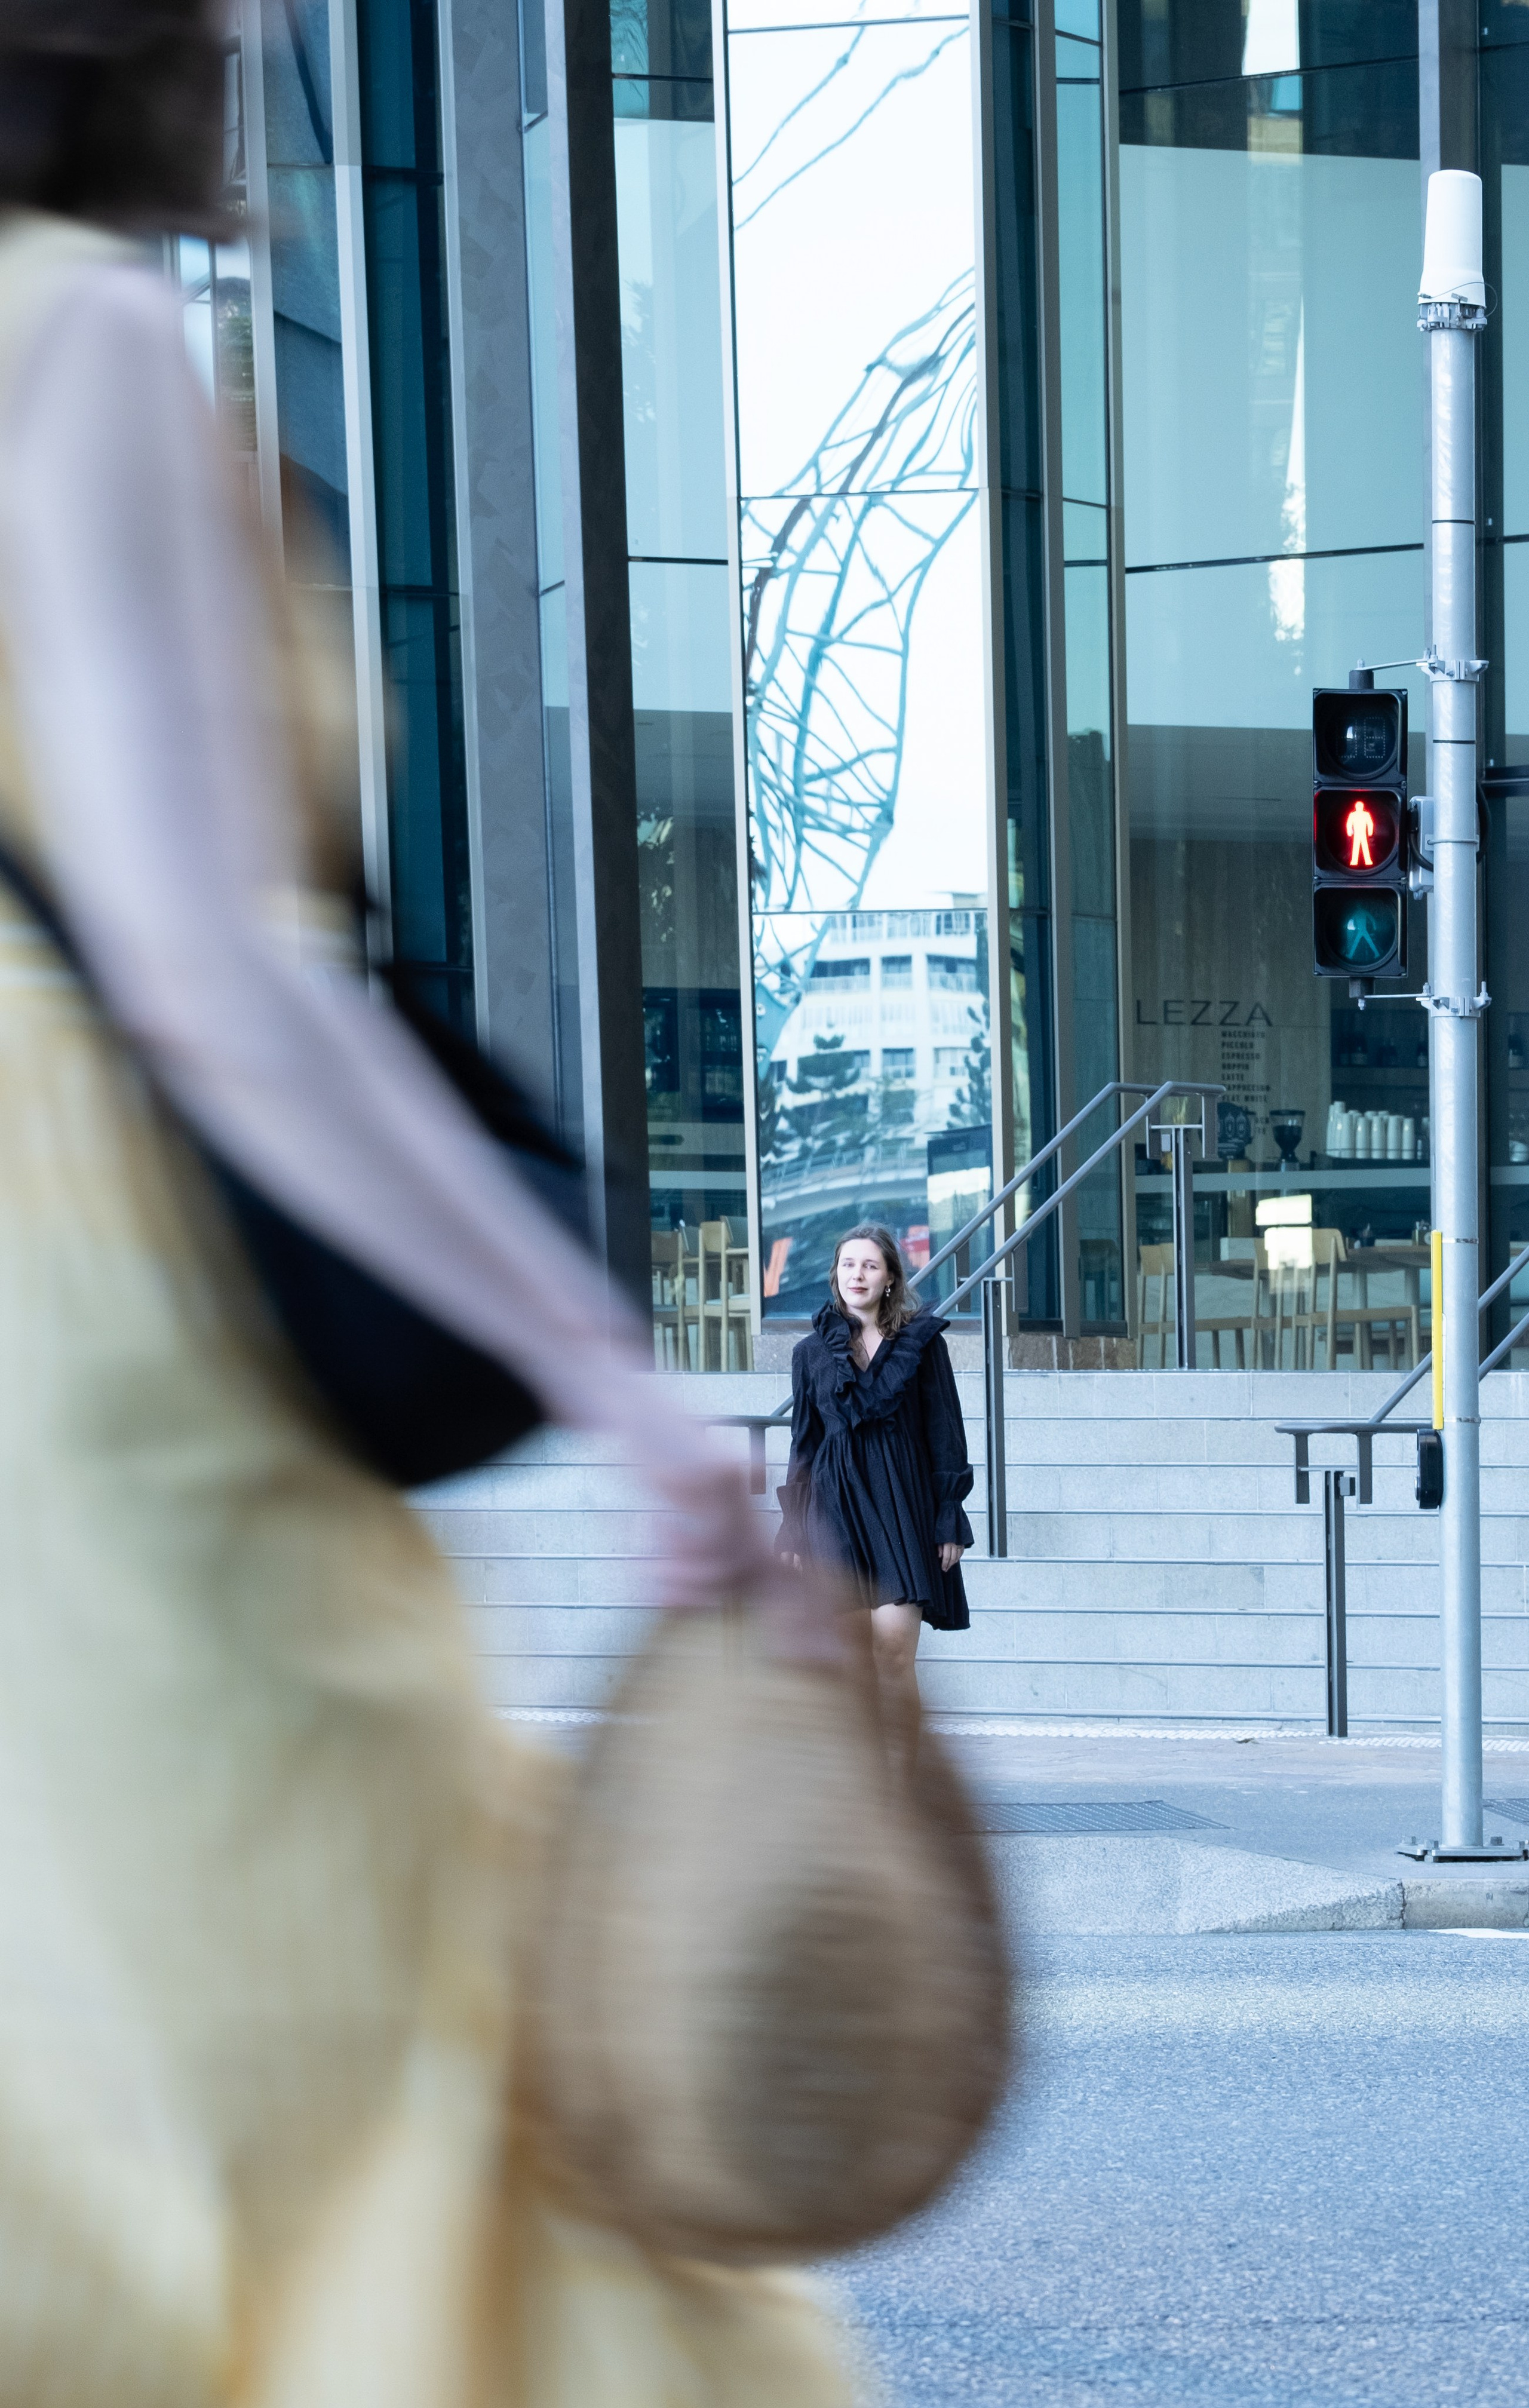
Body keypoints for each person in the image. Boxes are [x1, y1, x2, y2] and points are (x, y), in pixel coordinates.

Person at [0, 6, 855, 2401]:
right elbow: (207, 969)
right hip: (101, 1333)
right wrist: (618, 1379)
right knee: (345, 2045)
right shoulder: (65, 329)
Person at [776, 1224, 974, 1762]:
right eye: (848, 1265)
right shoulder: (811, 1353)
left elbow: (945, 1431)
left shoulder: (921, 1344)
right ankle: (863, 1791)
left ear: (890, 1277)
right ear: (835, 1274)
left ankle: (906, 1784)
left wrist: (949, 1513)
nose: (857, 1275)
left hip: (901, 1505)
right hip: (832, 1508)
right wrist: (793, 1527)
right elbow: (805, 1444)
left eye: (869, 1265)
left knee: (893, 1649)